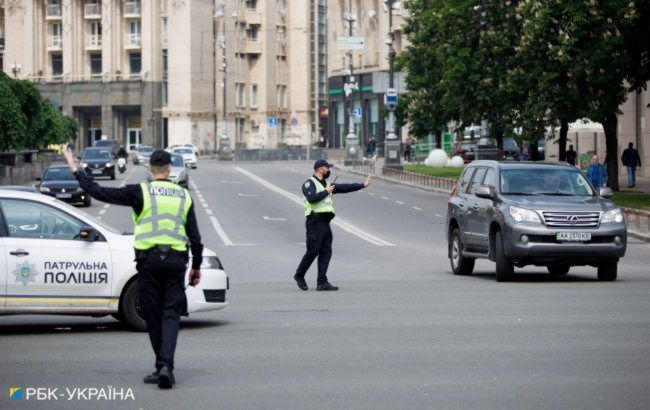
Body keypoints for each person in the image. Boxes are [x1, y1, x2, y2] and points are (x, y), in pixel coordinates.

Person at [62, 147, 203, 390]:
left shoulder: (141, 192)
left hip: (149, 262)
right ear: (169, 170)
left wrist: (75, 168)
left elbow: (98, 191)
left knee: (152, 313)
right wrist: (196, 266)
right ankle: (165, 365)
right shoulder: (183, 196)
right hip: (176, 262)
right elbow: (196, 237)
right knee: (171, 313)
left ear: (150, 169)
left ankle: (162, 365)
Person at [293, 160, 372, 291]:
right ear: (319, 169)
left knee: (326, 251)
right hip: (315, 221)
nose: (329, 170)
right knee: (313, 251)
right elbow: (311, 199)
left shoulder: (327, 184)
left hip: (325, 222)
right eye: (327, 168)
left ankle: (322, 282)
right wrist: (326, 191)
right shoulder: (309, 183)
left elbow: (344, 188)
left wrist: (362, 185)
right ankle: (299, 275)